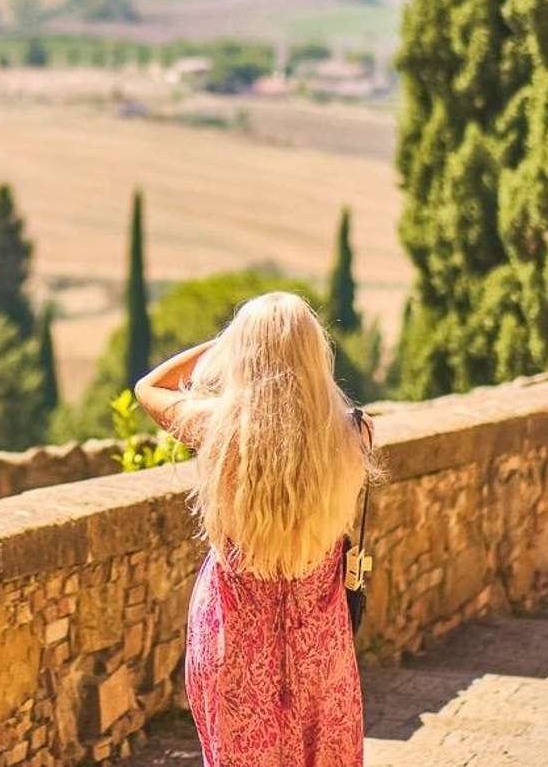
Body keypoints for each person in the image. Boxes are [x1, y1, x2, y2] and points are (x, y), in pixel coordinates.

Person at [134, 291, 376, 766]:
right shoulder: (353, 430)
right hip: (319, 642)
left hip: (234, 639)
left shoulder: (218, 429)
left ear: (242, 353)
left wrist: (227, 344)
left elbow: (149, 387)